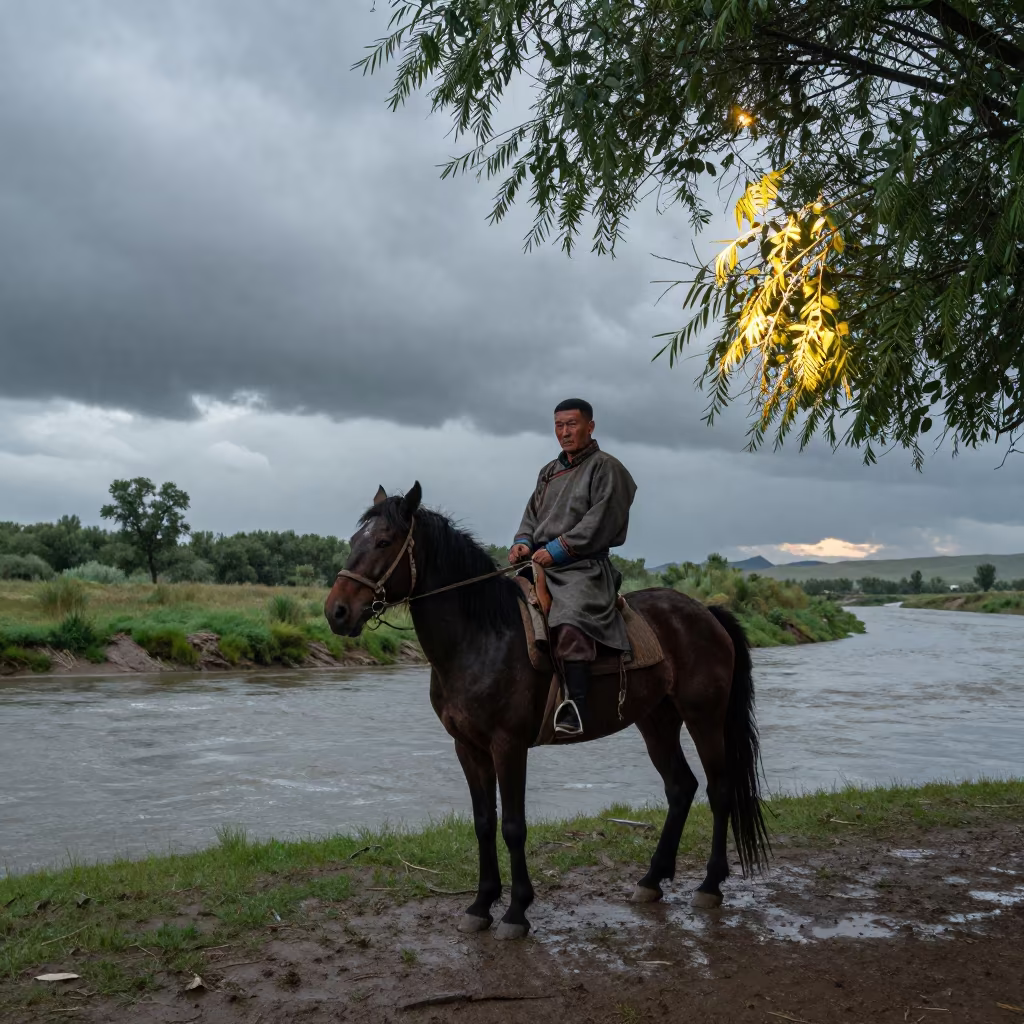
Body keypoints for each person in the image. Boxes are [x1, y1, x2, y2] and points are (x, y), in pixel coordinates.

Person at [509, 399, 637, 735]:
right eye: (559, 426)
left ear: (590, 426)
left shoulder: (607, 468)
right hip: (539, 564)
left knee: (568, 620)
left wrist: (558, 549)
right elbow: (531, 517)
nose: (564, 432)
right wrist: (523, 542)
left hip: (583, 568)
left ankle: (575, 706)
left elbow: (601, 521)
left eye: (571, 424)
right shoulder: (548, 472)